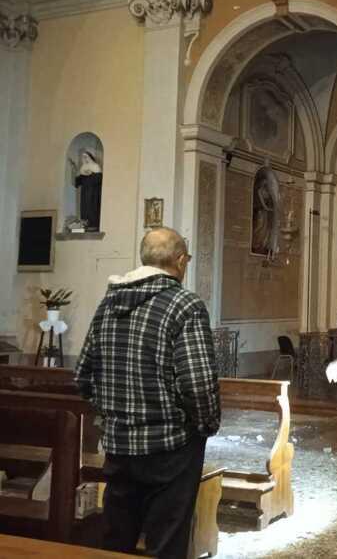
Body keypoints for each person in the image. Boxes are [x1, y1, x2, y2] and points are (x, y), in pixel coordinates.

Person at [75, 227, 221, 559]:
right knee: (166, 544)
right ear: (181, 261)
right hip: (169, 448)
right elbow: (197, 385)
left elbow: (83, 375)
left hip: (119, 447)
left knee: (117, 543)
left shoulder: (108, 303)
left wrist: (114, 413)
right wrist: (206, 425)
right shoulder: (185, 304)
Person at [70, 150, 103, 231]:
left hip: (93, 193)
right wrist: (74, 171)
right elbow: (78, 182)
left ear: (90, 157)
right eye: (83, 157)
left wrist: (90, 174)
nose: (85, 159)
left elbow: (99, 179)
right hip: (84, 192)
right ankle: (85, 224)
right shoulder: (83, 168)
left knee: (92, 208)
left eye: (86, 157)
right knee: (85, 208)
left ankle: (93, 224)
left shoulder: (95, 166)